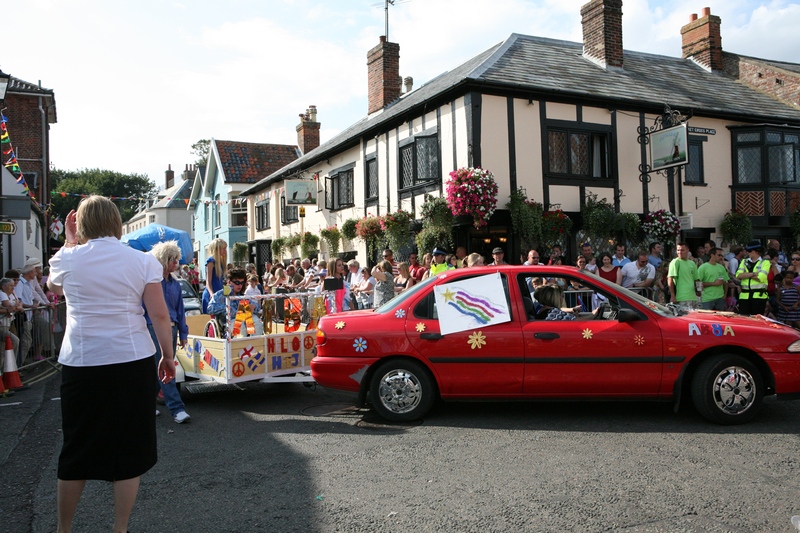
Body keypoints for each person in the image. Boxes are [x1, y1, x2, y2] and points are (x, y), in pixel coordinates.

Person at [47, 196, 175, 533]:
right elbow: (159, 314)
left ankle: (64, 529)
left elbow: (52, 286)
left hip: (82, 361)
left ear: (82, 224)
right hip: (130, 359)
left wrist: (70, 242)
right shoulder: (142, 261)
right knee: (129, 448)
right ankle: (119, 529)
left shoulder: (68, 259)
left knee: (77, 447)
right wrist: (168, 354)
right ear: (117, 221)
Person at [145, 241, 191, 424]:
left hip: (171, 328)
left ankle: (147, 405)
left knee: (159, 366)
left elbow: (181, 310)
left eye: (177, 259)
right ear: (163, 260)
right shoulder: (151, 283)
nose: (176, 263)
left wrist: (184, 333)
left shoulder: (175, 285)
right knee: (165, 366)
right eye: (172, 259)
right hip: (153, 328)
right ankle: (177, 408)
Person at [208, 267, 249, 333]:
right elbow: (210, 309)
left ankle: (255, 342)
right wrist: (227, 308)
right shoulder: (220, 294)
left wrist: (253, 306)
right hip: (227, 323)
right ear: (229, 282)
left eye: (242, 283)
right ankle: (242, 342)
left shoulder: (241, 296)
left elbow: (255, 307)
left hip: (244, 319)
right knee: (241, 326)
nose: (240, 286)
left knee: (257, 324)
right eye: (237, 282)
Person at [736, 240, 770, 316]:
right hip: (744, 296)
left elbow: (761, 278)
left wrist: (746, 274)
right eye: (747, 250)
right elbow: (738, 275)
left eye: (749, 250)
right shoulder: (744, 261)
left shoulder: (765, 262)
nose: (747, 252)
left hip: (759, 297)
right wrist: (753, 273)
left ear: (757, 251)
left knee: (756, 320)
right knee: (743, 319)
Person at [533, 285, 597, 321]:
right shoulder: (553, 312)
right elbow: (576, 321)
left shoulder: (543, 310)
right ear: (555, 298)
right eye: (561, 296)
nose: (562, 299)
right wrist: (594, 315)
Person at [668, 242, 700, 309]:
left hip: (693, 297)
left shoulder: (692, 263)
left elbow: (697, 279)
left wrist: (699, 289)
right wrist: (672, 295)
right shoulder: (675, 262)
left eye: (682, 250)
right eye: (678, 250)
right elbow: (670, 278)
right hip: (681, 297)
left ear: (688, 250)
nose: (680, 252)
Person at [0, 277, 21, 368]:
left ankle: (7, 371)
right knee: (15, 341)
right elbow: (11, 307)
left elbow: (19, 305)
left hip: (8, 324)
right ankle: (10, 368)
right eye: (10, 285)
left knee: (2, 350)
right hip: (1, 325)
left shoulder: (12, 295)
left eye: (13, 285)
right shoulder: (1, 294)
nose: (13, 287)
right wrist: (9, 309)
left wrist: (12, 308)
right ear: (3, 286)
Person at [202, 238, 227, 314]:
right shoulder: (211, 261)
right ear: (217, 249)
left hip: (219, 293)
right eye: (223, 248)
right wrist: (211, 294)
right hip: (211, 294)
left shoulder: (221, 262)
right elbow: (208, 281)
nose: (225, 251)